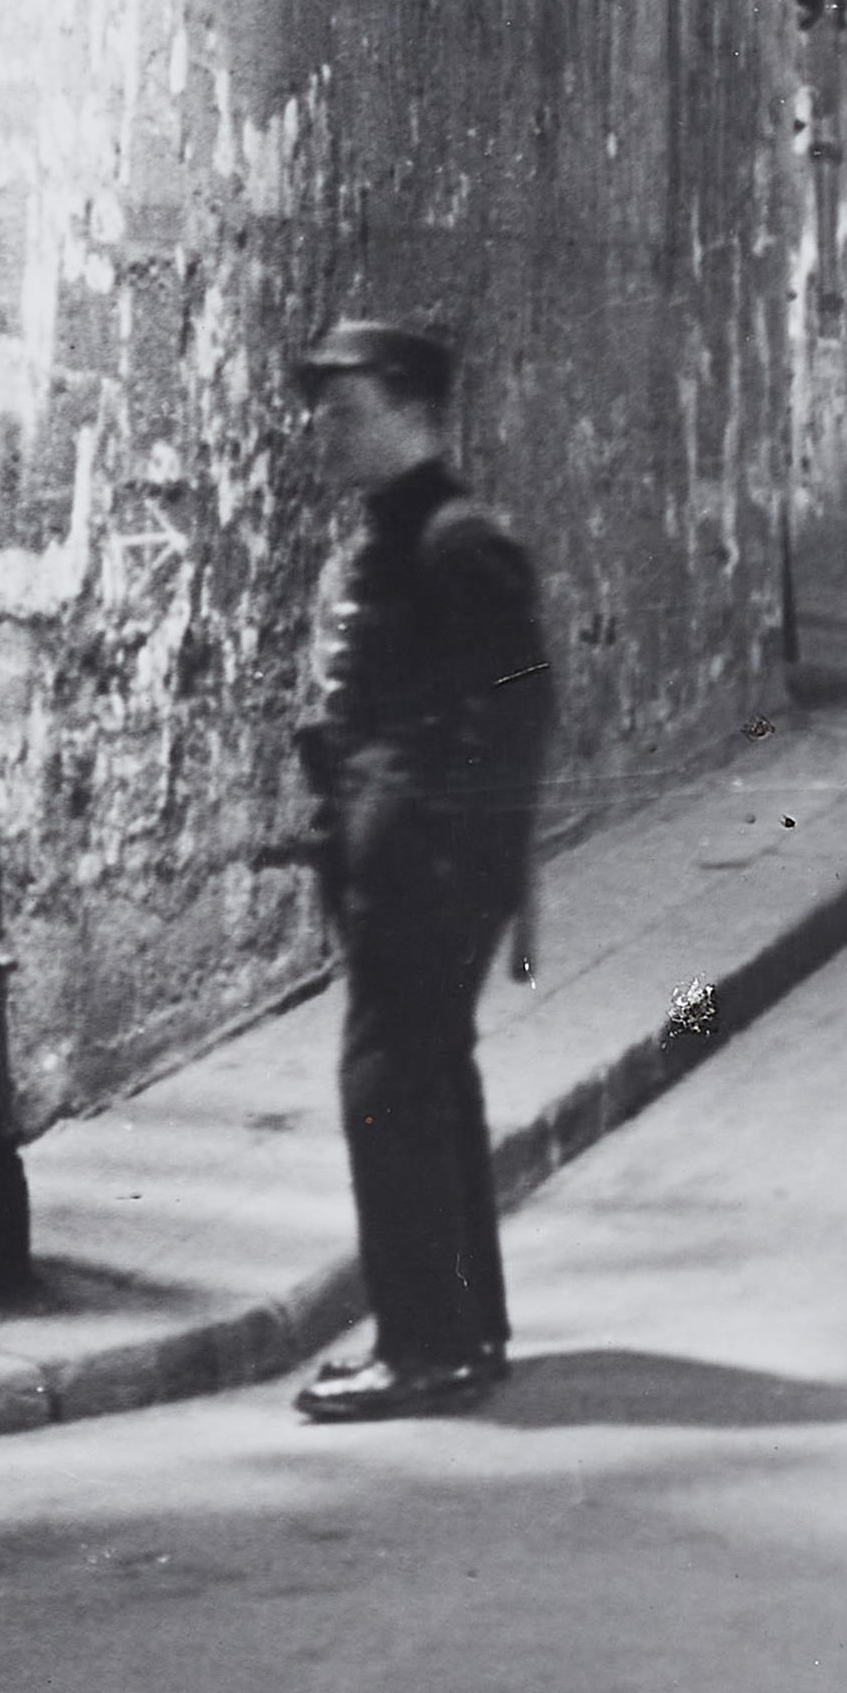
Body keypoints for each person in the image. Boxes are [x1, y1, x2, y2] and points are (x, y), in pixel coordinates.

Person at [282, 318, 557, 1423]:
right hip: (399, 870)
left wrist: (439, 851)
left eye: (346, 409)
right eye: (321, 409)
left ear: (412, 412)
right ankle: (464, 1329)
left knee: (388, 1092)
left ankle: (422, 1348)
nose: (324, 429)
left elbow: (518, 714)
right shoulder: (395, 540)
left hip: (426, 879)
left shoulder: (455, 542)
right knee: (430, 1087)